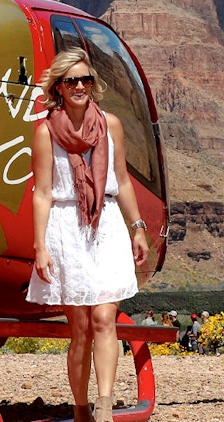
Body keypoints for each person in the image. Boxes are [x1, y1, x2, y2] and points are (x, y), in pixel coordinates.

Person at [26, 47, 150, 422]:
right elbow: (43, 194)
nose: (80, 86)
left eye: (86, 79)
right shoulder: (46, 132)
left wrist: (138, 228)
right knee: (79, 327)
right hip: (66, 230)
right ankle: (80, 407)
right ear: (59, 88)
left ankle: (105, 405)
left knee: (104, 319)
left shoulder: (110, 124)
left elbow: (124, 182)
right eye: (71, 81)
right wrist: (40, 246)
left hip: (107, 225)